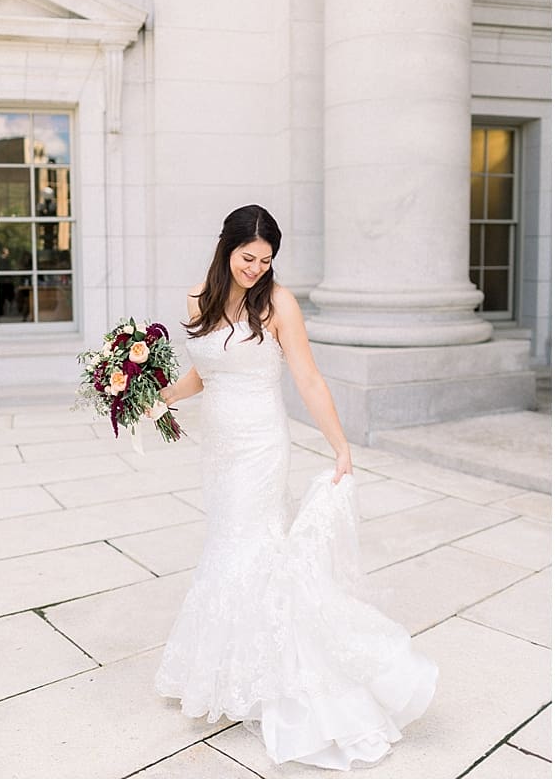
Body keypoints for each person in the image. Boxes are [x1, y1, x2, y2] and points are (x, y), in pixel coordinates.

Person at [151, 204, 437, 770]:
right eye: (247, 257)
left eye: (266, 260)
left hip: (260, 446)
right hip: (220, 449)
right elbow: (204, 373)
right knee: (226, 547)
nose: (256, 268)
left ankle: (280, 676)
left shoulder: (279, 303)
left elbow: (306, 375)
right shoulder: (197, 298)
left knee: (249, 548)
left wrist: (340, 444)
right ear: (226, 248)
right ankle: (238, 672)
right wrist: (153, 396)